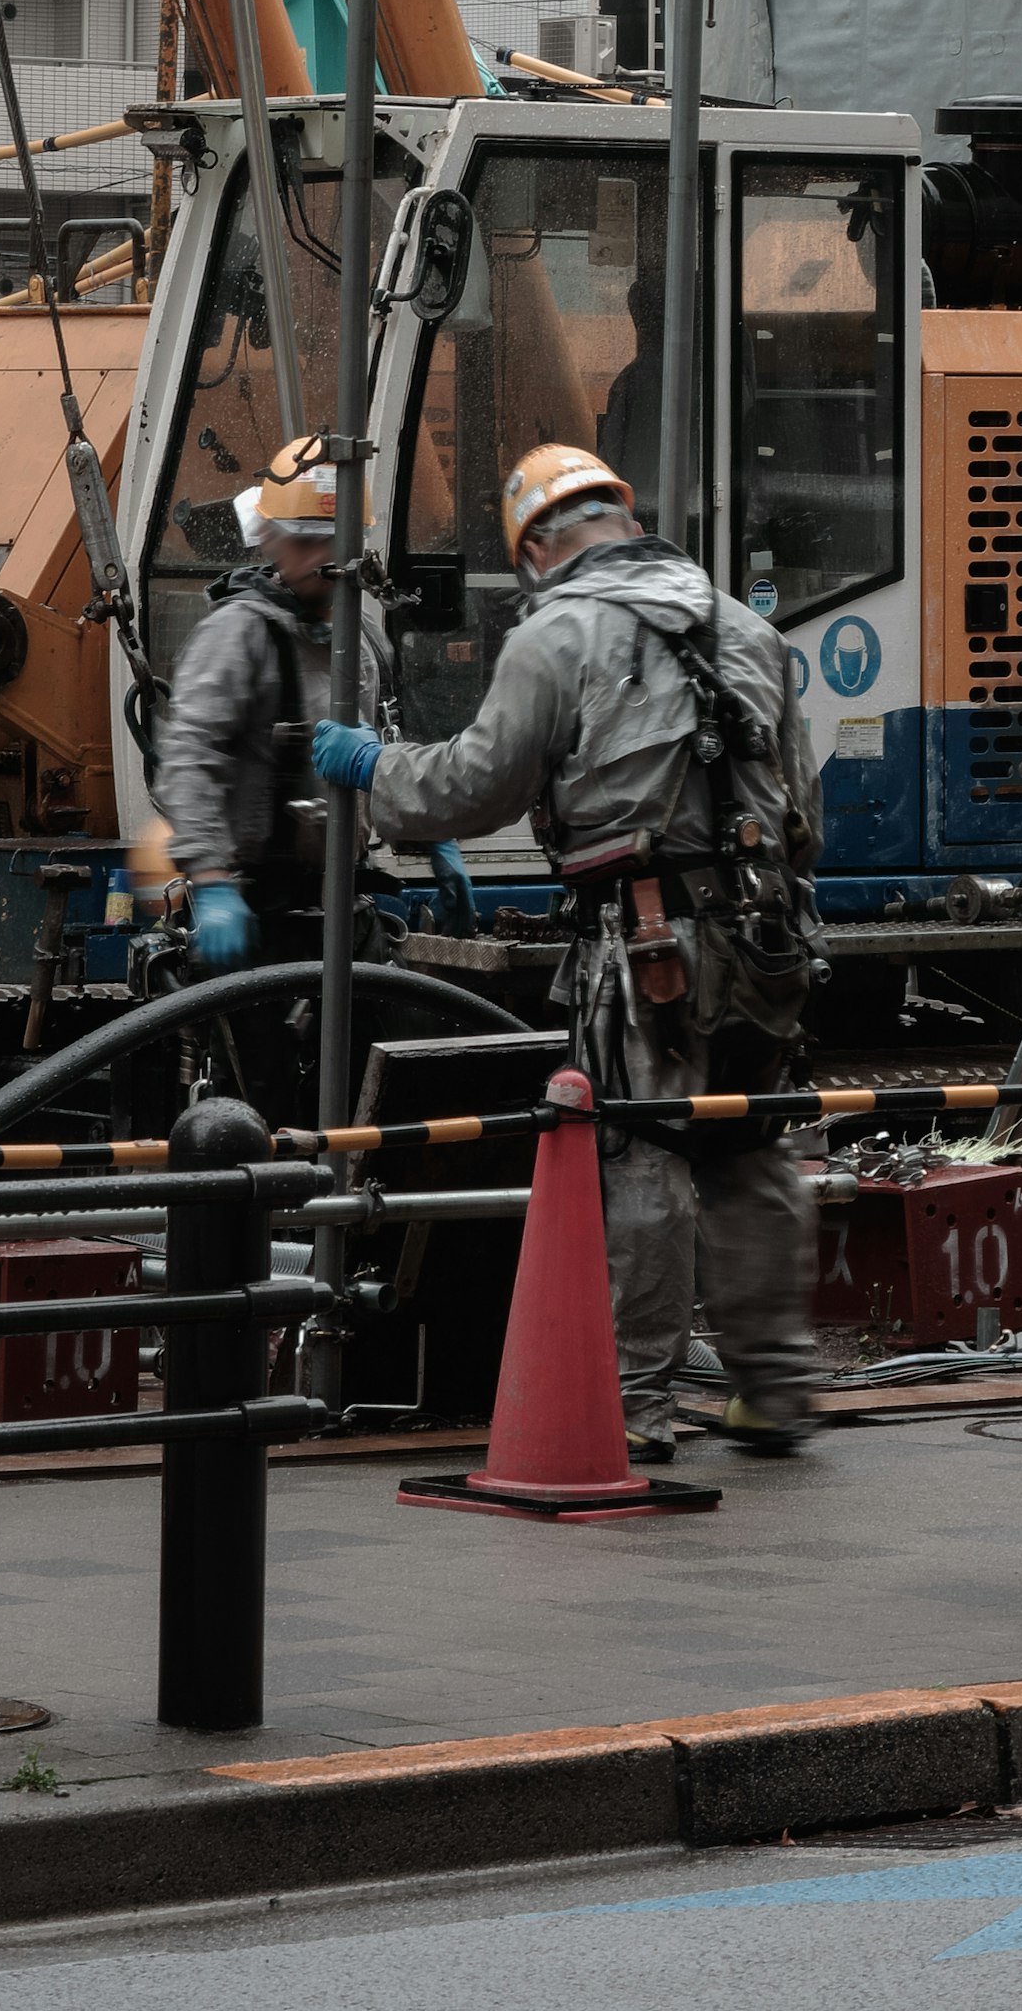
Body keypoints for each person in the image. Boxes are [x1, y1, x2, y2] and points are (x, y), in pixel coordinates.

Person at [310, 443, 825, 1462]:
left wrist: (373, 770)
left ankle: (634, 1406)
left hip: (646, 938)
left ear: (538, 546)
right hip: (767, 932)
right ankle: (773, 1388)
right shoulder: (749, 629)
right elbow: (803, 810)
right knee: (748, 1144)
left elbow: (476, 784)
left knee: (644, 1154)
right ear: (623, 519)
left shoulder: (560, 634)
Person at [147, 435, 426, 975]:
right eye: (304, 540)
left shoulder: (366, 641)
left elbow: (389, 749)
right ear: (269, 537)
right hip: (256, 915)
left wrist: (434, 842)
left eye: (333, 540)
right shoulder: (239, 635)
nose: (321, 557)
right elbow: (187, 760)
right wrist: (208, 880)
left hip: (344, 911)